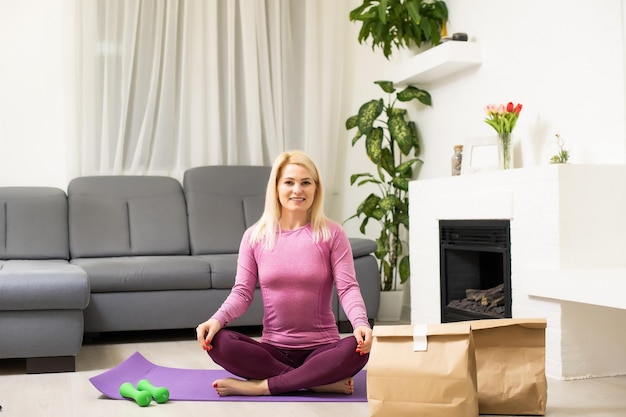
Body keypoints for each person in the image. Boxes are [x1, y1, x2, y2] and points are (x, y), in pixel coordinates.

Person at [195, 150, 373, 397]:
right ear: (276, 187)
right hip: (273, 351)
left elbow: (347, 288)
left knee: (357, 348)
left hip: (322, 350)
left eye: (306, 182)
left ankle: (262, 387)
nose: (297, 190)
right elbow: (242, 293)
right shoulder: (255, 236)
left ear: (316, 188)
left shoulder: (332, 233)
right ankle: (314, 382)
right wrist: (216, 320)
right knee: (216, 341)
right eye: (289, 182)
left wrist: (360, 324)